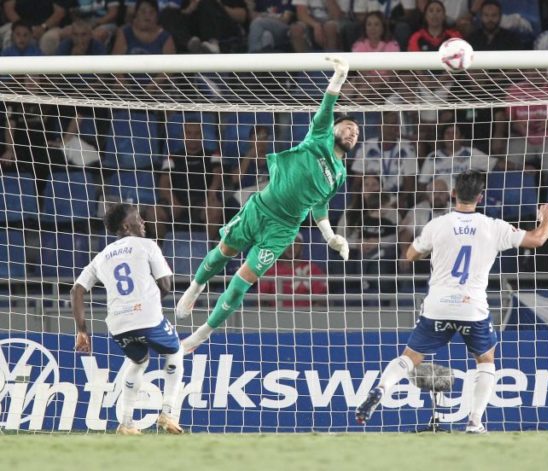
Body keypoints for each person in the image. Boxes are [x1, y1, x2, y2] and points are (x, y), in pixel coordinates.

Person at [177, 57, 358, 352]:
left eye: (357, 133)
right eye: (349, 127)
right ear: (336, 128)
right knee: (222, 254)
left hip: (283, 230)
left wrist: (331, 237)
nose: (353, 133)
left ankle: (200, 335)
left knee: (242, 280)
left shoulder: (339, 175)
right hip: (259, 208)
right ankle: (195, 288)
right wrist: (338, 77)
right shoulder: (320, 136)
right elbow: (327, 105)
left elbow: (320, 206)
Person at [355, 170, 548, 432]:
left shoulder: (437, 224)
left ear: (453, 194)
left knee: (409, 358)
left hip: (438, 303)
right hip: (472, 307)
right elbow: (537, 240)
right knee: (486, 360)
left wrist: (432, 250)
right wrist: (546, 219)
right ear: (480, 197)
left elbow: (410, 254)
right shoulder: (493, 226)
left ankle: (381, 388)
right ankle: (474, 422)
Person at [70, 204, 184, 435]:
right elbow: (166, 286)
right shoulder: (147, 245)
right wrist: (147, 300)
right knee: (175, 352)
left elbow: (76, 290)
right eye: (138, 218)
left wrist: (82, 330)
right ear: (125, 226)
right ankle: (169, 414)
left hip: (118, 324)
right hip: (147, 317)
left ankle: (127, 423)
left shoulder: (100, 257)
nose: (143, 222)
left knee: (139, 362)